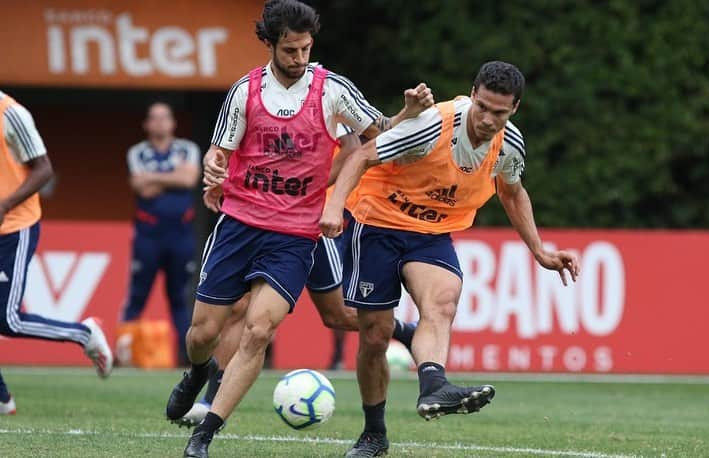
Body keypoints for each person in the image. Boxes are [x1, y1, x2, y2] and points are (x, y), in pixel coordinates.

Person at [163, 1, 432, 456]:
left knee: (258, 331)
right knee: (202, 334)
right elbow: (218, 153)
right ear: (270, 44)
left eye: (306, 48)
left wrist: (406, 114)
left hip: (294, 235)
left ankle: (203, 434)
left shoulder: (333, 90)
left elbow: (377, 132)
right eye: (290, 49)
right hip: (239, 225)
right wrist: (213, 169)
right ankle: (196, 372)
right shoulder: (244, 92)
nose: (300, 58)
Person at [320, 61, 581, 456]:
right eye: (483, 107)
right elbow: (361, 158)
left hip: (430, 234)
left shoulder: (509, 142)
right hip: (377, 222)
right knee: (374, 335)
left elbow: (512, 192)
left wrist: (540, 251)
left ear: (515, 109)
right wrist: (334, 208)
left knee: (442, 301)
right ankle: (374, 433)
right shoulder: (432, 125)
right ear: (472, 94)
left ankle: (434, 385)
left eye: (500, 112)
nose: (489, 120)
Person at [175, 126, 417, 427]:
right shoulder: (262, 97)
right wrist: (229, 183)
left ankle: (402, 330)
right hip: (262, 222)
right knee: (239, 308)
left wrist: (323, 196)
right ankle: (212, 401)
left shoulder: (328, 96)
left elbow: (370, 135)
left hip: (310, 224)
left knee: (337, 315)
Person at [0, 90, 113, 414]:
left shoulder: (11, 114)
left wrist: (5, 203)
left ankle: (84, 334)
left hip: (14, 226)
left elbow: (44, 169)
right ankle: (2, 398)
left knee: (6, 319)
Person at [121, 102, 201, 366]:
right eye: (153, 118)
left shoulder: (187, 148)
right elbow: (139, 187)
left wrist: (154, 178)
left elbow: (189, 180)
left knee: (180, 296)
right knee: (137, 295)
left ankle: (187, 356)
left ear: (172, 122)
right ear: (146, 124)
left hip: (180, 234)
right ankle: (123, 354)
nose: (159, 123)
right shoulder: (137, 152)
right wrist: (171, 176)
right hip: (148, 234)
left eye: (164, 118)